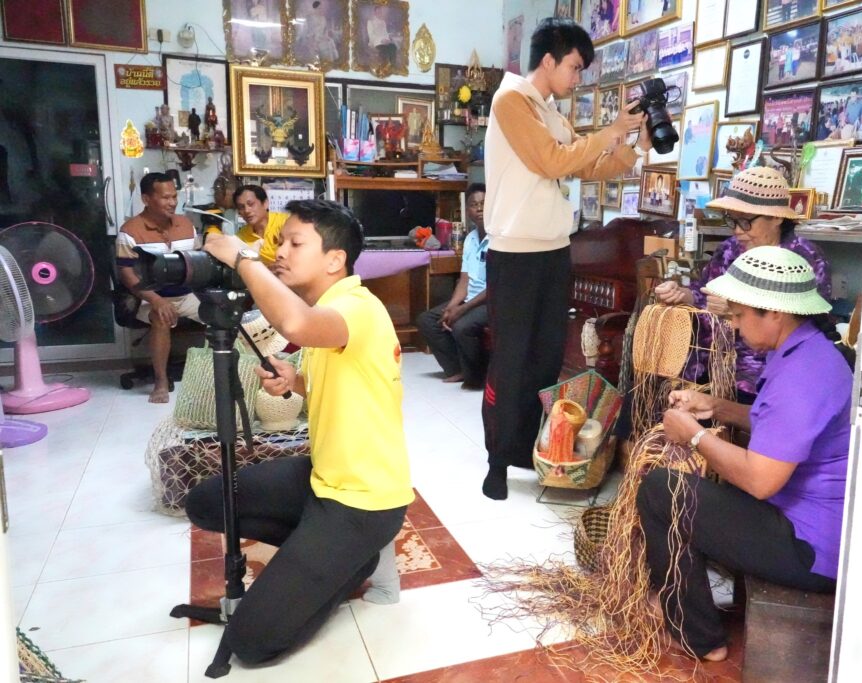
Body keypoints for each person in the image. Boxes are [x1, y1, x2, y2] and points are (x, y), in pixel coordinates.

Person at [187, 199, 413, 665]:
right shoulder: (330, 309)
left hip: (364, 503)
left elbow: (295, 324)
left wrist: (242, 258)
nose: (281, 252)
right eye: (280, 242)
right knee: (206, 503)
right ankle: (337, 558)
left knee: (251, 642)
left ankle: (352, 559)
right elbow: (344, 380)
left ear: (335, 259)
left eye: (295, 243)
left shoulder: (357, 308)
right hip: (322, 478)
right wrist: (296, 381)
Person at [638, 246, 850, 662]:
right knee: (689, 489)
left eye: (738, 315)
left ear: (775, 313)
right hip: (815, 528)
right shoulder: (808, 352)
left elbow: (760, 480)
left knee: (662, 490)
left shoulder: (802, 376)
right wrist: (717, 408)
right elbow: (780, 427)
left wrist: (695, 436)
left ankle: (697, 637)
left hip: (811, 551)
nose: (733, 325)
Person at [481, 17, 649, 500]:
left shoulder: (550, 111)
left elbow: (585, 165)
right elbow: (552, 161)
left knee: (546, 358)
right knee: (511, 359)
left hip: (554, 251)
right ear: (549, 60)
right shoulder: (511, 101)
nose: (578, 78)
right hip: (515, 254)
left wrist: (635, 146)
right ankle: (497, 461)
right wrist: (610, 130)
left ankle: (533, 451)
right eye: (575, 67)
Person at [653, 166, 831, 402]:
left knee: (701, 410)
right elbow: (704, 291)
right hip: (707, 359)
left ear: (776, 218)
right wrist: (683, 294)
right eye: (733, 221)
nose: (737, 231)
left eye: (746, 222)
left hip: (758, 373)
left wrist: (735, 312)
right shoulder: (729, 250)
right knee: (653, 393)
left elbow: (811, 325)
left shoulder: (804, 260)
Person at [115, 172, 203, 404]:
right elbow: (127, 274)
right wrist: (156, 300)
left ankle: (224, 373)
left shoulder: (186, 225)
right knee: (161, 316)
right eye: (165, 198)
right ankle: (161, 381)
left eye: (174, 196)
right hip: (149, 297)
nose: (172, 202)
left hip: (186, 295)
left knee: (221, 312)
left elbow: (197, 262)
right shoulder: (130, 231)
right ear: (146, 199)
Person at [416, 184, 489, 389]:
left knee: (461, 325)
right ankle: (458, 369)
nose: (479, 208)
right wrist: (452, 307)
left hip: (491, 300)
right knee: (428, 320)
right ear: (468, 210)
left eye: (484, 203)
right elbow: (464, 280)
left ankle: (477, 377)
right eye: (474, 204)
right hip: (470, 298)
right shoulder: (471, 239)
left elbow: (496, 287)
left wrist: (462, 310)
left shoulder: (499, 240)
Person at [205, 184, 287, 267]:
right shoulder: (241, 237)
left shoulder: (285, 223)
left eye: (251, 204)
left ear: (265, 203)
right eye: (241, 207)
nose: (247, 210)